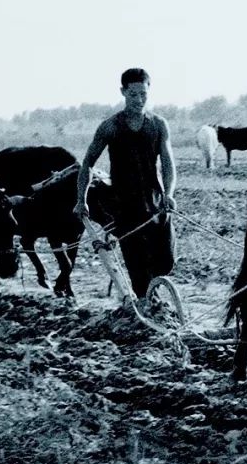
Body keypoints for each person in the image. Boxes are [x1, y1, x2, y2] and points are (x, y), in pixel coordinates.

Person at [74, 67, 176, 298]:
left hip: (157, 205)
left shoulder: (158, 125)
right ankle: (147, 309)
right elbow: (88, 163)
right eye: (133, 95)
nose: (139, 100)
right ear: (123, 92)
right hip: (126, 209)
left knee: (166, 263)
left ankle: (153, 297)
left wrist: (169, 194)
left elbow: (168, 164)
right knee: (139, 271)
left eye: (144, 94)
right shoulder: (110, 126)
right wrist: (81, 200)